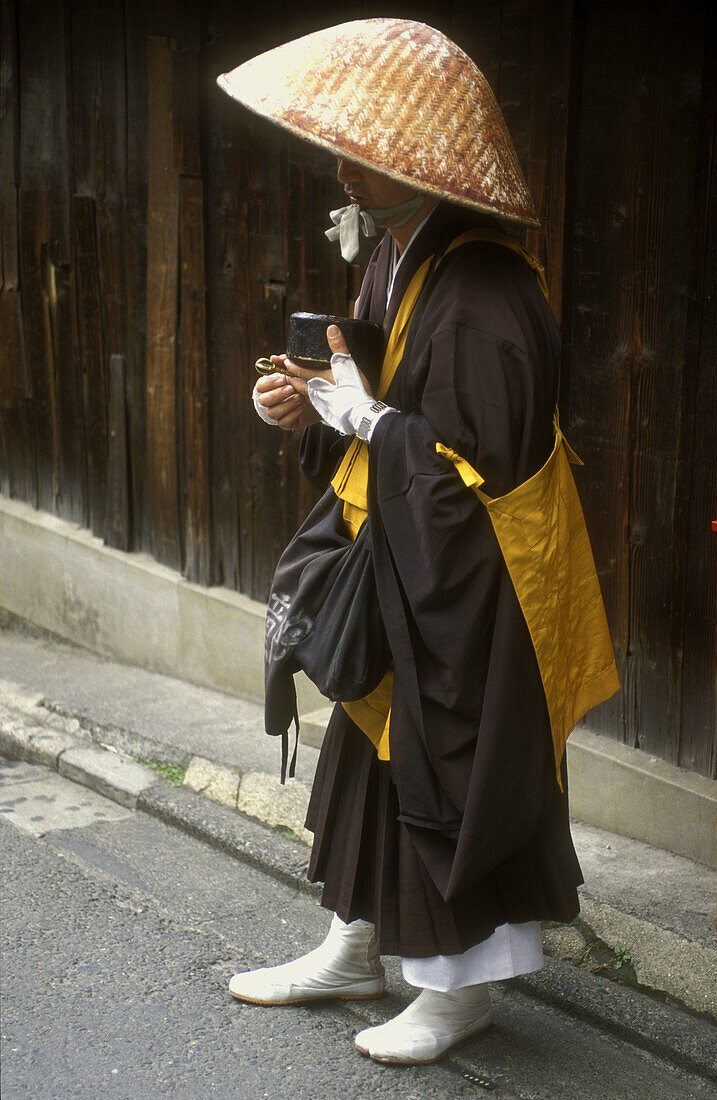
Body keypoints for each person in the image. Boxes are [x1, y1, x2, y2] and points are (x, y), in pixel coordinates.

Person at [217, 18, 618, 1066]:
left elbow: (465, 475)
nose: (339, 166)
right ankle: (354, 941)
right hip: (407, 564)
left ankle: (463, 987)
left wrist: (360, 417)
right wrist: (307, 409)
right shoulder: (401, 262)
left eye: (359, 152)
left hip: (480, 589)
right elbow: (383, 404)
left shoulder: (488, 291)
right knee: (370, 750)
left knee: (455, 768)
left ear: (411, 169)